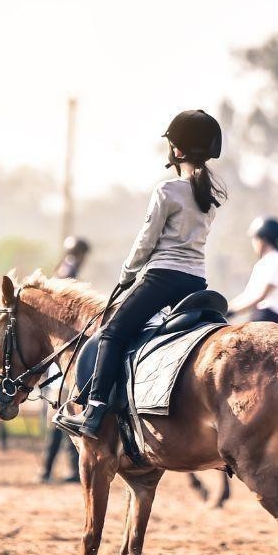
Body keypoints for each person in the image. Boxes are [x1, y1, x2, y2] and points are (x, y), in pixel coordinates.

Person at [55, 109, 226, 439]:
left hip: (162, 278)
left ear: (177, 151)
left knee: (111, 334)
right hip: (196, 283)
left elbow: (146, 240)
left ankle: (93, 413)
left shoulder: (167, 190)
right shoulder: (210, 199)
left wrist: (127, 275)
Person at [41, 236, 90, 482]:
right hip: (64, 354)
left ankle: (49, 469)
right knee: (66, 409)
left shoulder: (63, 270)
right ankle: (56, 469)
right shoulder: (68, 272)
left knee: (64, 410)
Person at [228, 216, 278, 324]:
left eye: (255, 238)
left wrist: (233, 312)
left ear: (264, 239)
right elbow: (247, 295)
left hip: (268, 316)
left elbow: (261, 296)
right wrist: (225, 308)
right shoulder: (264, 262)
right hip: (261, 315)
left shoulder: (275, 260)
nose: (253, 243)